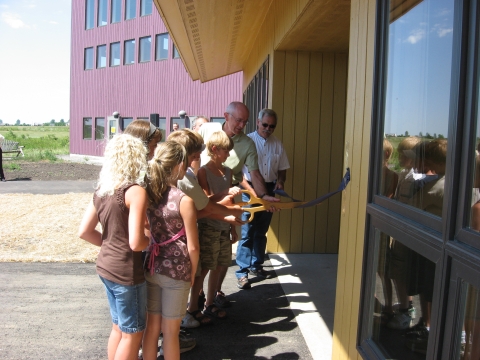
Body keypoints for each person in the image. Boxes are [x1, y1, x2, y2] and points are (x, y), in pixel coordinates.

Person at [78, 134, 150, 360]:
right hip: (127, 272)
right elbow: (136, 242)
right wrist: (154, 239)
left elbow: (85, 232)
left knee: (118, 326)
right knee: (133, 332)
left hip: (106, 266)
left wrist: (110, 244)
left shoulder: (102, 190)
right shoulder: (135, 191)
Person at [199, 102, 279, 293]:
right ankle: (196, 298)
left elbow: (254, 173)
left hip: (229, 194)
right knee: (202, 249)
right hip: (201, 192)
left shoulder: (248, 143)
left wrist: (264, 198)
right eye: (239, 120)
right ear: (226, 116)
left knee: (224, 250)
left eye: (245, 121)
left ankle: (215, 293)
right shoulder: (207, 130)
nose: (242, 125)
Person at [167, 129, 243, 327]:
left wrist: (229, 218)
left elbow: (203, 205)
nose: (197, 158)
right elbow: (205, 205)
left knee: (217, 264)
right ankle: (186, 313)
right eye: (194, 155)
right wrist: (229, 212)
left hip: (215, 227)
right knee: (197, 272)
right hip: (197, 233)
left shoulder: (195, 174)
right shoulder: (194, 175)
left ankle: (194, 309)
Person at [142, 141, 200, 360]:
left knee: (152, 329)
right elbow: (193, 246)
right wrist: (193, 274)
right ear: (180, 165)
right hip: (177, 271)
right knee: (171, 333)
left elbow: (147, 229)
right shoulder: (184, 200)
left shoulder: (149, 195)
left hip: (152, 267)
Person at [235, 109, 290, 289]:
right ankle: (242, 272)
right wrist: (251, 191)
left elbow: (282, 168)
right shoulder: (247, 141)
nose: (268, 128)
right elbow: (238, 173)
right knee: (247, 231)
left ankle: (256, 265)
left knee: (261, 230)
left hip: (270, 189)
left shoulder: (277, 144)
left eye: (272, 126)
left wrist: (280, 181)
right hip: (249, 190)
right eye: (265, 125)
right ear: (257, 122)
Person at [196, 131, 239, 319]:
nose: (228, 154)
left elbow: (230, 203)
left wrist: (232, 228)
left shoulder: (228, 172)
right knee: (205, 266)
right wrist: (226, 193)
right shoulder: (203, 172)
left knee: (220, 266)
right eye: (226, 151)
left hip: (224, 227)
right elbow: (205, 202)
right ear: (214, 149)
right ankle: (194, 304)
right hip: (209, 227)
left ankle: (209, 303)